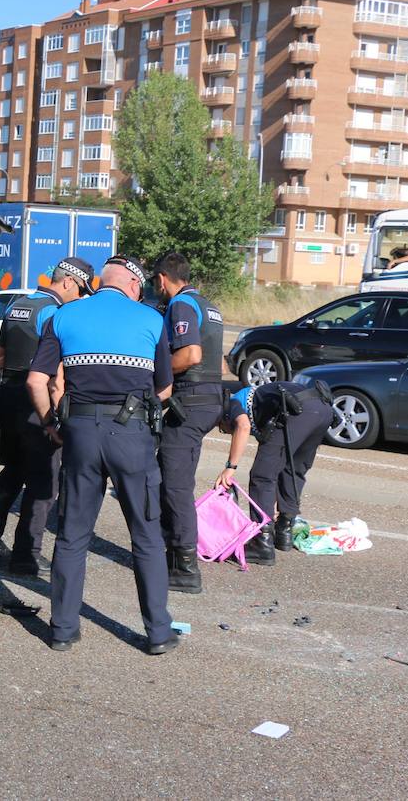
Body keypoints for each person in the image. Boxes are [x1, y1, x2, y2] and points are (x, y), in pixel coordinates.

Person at [28, 255, 178, 655]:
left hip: (80, 433)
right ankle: (159, 633)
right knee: (145, 536)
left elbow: (36, 379)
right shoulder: (150, 319)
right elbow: (165, 388)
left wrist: (50, 423)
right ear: (131, 283)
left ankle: (62, 629)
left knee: (73, 535)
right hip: (132, 436)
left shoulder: (63, 316)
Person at [0, 257, 95, 575]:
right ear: (69, 281)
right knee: (44, 481)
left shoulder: (18, 304)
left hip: (8, 396)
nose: (82, 298)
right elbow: (54, 375)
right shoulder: (55, 313)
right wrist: (54, 419)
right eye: (82, 290)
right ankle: (26, 555)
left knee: (13, 470)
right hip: (34, 402)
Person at [152, 252, 226, 595]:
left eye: (157, 282)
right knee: (174, 476)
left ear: (163, 278)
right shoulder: (208, 304)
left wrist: (158, 375)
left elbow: (190, 355)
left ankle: (184, 565)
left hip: (191, 399)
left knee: (174, 484)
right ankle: (171, 552)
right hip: (209, 399)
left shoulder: (180, 305)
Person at [214, 380, 334, 565]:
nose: (225, 430)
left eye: (222, 427)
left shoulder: (232, 402)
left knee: (262, 475)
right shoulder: (259, 400)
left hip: (298, 409)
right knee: (292, 469)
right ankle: (284, 531)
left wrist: (231, 467)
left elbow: (243, 427)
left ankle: (262, 542)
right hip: (323, 409)